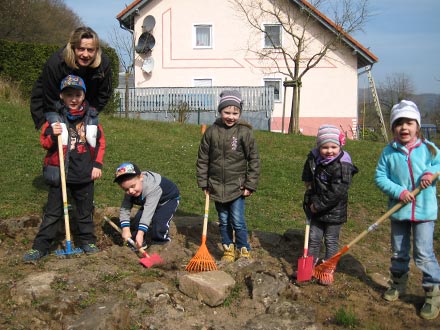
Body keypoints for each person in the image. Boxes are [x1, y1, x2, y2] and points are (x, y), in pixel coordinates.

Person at [23, 74, 106, 262]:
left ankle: (87, 241)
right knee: (53, 213)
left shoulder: (91, 118)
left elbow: (101, 143)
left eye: (77, 94)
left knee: (85, 212)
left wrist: (97, 165)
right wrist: (53, 134)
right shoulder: (54, 119)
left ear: (83, 96)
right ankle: (40, 247)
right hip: (61, 175)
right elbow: (44, 143)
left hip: (85, 174)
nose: (74, 99)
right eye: (69, 95)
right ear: (62, 96)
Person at [375, 100, 440, 320]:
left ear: (417, 126)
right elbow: (380, 177)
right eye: (399, 123)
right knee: (398, 251)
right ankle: (398, 283)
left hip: (424, 212)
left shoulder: (429, 149)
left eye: (409, 122)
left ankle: (432, 292)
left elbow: (438, 164)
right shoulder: (388, 152)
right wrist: (399, 192)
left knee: (423, 253)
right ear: (393, 127)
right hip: (399, 211)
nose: (404, 127)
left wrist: (429, 174)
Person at [196, 90, 260, 262]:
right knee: (223, 221)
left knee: (238, 221)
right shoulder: (211, 132)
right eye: (227, 112)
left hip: (237, 186)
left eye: (235, 113)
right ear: (220, 111)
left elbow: (253, 159)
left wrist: (250, 184)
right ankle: (228, 249)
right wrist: (204, 183)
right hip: (216, 185)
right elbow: (203, 159)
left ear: (240, 113)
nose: (231, 117)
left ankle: (243, 248)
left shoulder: (244, 133)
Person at [302, 124, 358, 285]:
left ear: (340, 146)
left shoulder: (343, 165)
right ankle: (309, 266)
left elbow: (337, 192)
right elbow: (309, 171)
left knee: (331, 240)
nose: (329, 151)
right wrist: (308, 185)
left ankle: (327, 268)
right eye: (325, 147)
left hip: (334, 210)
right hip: (316, 208)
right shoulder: (314, 158)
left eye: (334, 147)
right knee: (313, 238)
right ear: (319, 146)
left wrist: (317, 205)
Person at [30, 26, 112, 130]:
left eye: (90, 50)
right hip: (52, 105)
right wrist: (48, 125)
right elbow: (50, 97)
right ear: (72, 48)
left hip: (85, 108)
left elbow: (104, 93)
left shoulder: (103, 64)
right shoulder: (55, 63)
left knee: (84, 141)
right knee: (62, 138)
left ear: (96, 50)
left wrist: (87, 113)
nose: (86, 54)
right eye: (81, 49)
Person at [114, 162, 180, 249]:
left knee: (159, 223)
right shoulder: (130, 191)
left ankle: (161, 245)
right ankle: (140, 244)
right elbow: (125, 209)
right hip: (149, 201)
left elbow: (148, 213)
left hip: (167, 200)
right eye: (126, 189)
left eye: (133, 186)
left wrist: (140, 233)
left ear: (141, 177)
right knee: (137, 221)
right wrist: (125, 229)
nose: (131, 191)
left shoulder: (152, 187)